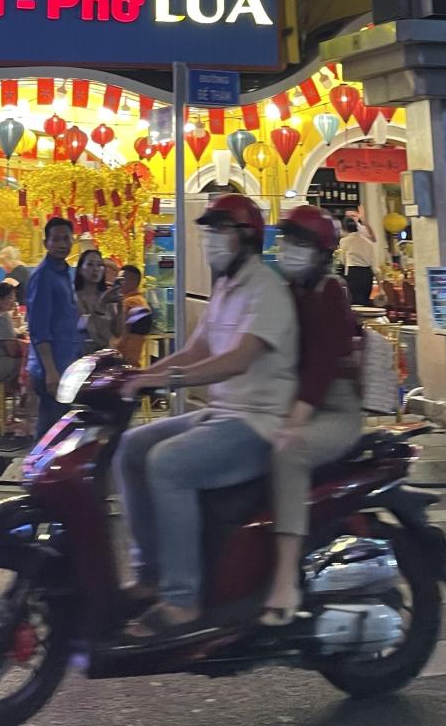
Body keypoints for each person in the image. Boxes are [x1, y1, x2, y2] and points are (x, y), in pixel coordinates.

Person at [115, 193, 297, 638]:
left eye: (221, 231)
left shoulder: (266, 289)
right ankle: (150, 573)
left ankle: (182, 600)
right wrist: (140, 375)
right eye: (209, 231)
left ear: (247, 237)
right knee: (132, 448)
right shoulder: (225, 288)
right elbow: (198, 348)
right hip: (222, 413)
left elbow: (238, 359)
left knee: (168, 464)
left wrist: (169, 381)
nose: (212, 240)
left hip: (258, 421)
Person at [264, 206, 362, 625]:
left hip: (336, 407)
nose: (291, 251)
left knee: (289, 451)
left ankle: (284, 577)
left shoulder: (329, 290)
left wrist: (296, 418)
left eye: (302, 244)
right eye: (288, 242)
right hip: (301, 400)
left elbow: (323, 363)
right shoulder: (290, 291)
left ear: (322, 253)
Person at [25, 218, 80, 438]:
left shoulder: (66, 272)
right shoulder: (42, 277)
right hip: (51, 368)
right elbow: (39, 329)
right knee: (51, 432)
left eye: (66, 238)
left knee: (62, 429)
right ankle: (35, 472)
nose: (61, 244)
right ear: (46, 242)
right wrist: (50, 371)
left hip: (67, 365)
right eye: (56, 239)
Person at [75, 247, 122, 353]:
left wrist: (120, 306)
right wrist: (102, 304)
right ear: (80, 269)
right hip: (81, 358)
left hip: (105, 356)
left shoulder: (108, 296)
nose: (96, 269)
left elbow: (118, 333)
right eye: (90, 264)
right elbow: (85, 329)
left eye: (100, 265)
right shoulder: (74, 298)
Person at [336, 212, 379, 306]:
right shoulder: (368, 242)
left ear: (344, 229)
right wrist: (381, 286)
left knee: (354, 303)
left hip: (354, 274)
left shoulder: (344, 241)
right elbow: (375, 267)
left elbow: (342, 260)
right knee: (365, 302)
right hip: (367, 275)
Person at [117, 265, 154, 367]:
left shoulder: (131, 302)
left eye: (121, 279)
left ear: (133, 280)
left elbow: (121, 334)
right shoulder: (140, 301)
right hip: (134, 361)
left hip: (124, 362)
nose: (118, 282)